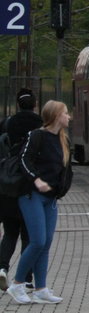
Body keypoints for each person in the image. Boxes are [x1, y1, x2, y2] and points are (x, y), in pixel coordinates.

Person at [6, 100, 73, 305]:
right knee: (38, 241)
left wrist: (60, 189)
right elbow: (23, 160)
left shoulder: (63, 140)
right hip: (31, 195)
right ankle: (18, 284)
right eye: (65, 113)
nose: (69, 116)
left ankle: (41, 288)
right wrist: (36, 179)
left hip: (50, 198)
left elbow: (64, 169)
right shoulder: (36, 136)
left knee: (46, 243)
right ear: (55, 116)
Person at [0, 87, 39, 292]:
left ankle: (2, 268)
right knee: (28, 235)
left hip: (8, 186)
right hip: (28, 189)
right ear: (34, 104)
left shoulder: (8, 123)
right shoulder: (39, 125)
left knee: (9, 233)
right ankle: (25, 277)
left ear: (17, 104)